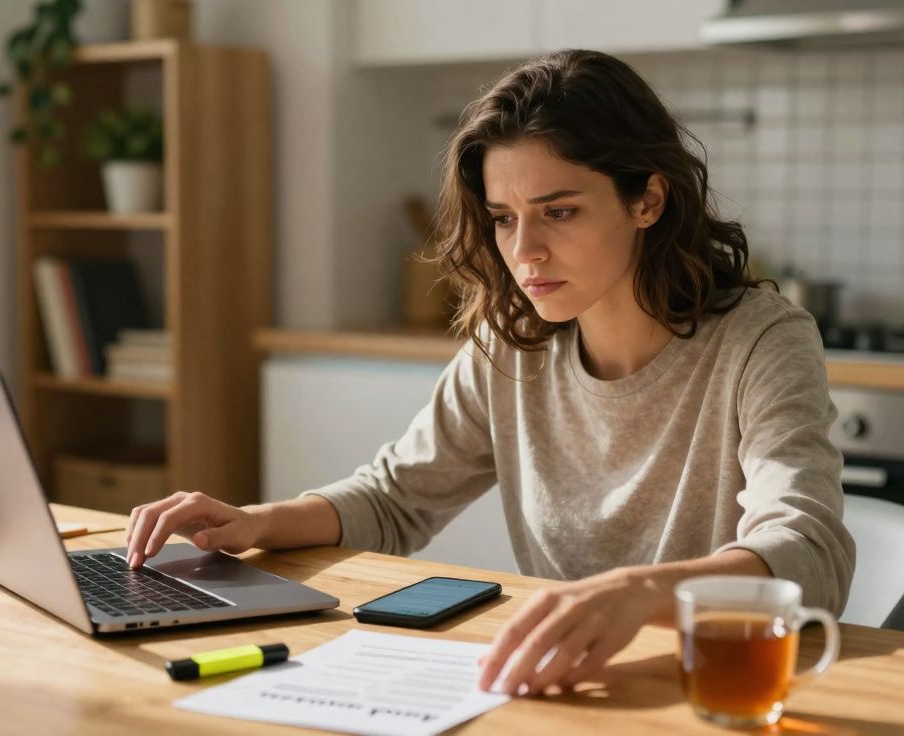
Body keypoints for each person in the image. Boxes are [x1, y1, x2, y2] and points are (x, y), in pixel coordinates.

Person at [124, 49, 855, 697]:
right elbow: (394, 498)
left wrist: (637, 594)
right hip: (567, 682)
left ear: (648, 200)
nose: (524, 250)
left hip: (712, 687)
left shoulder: (761, 341)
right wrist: (257, 521)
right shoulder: (514, 344)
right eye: (503, 218)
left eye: (558, 211)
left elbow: (806, 552)